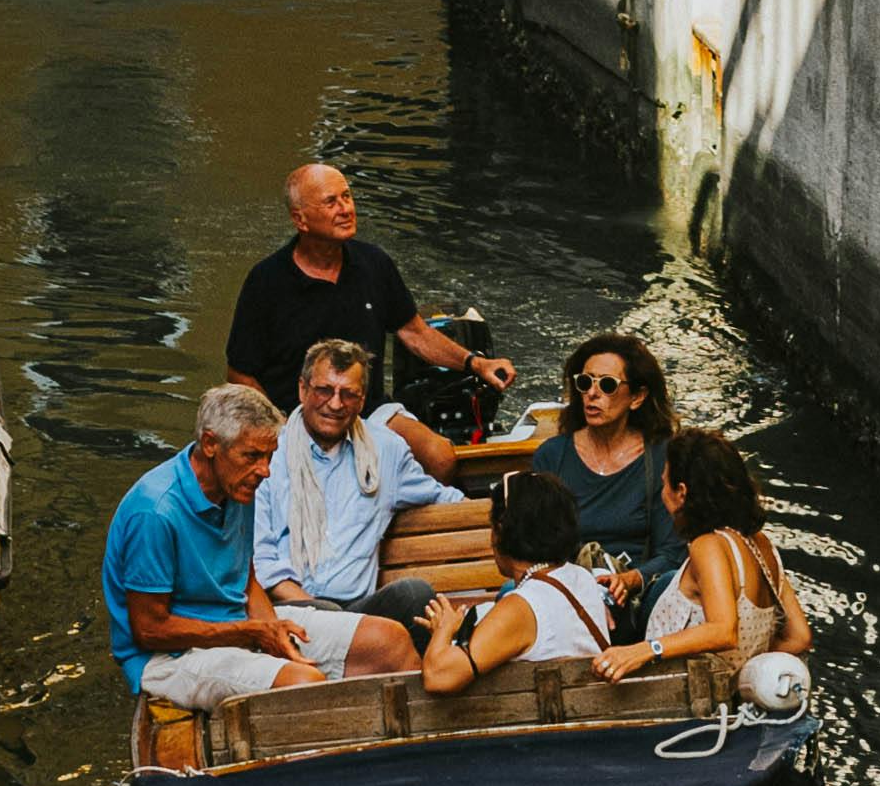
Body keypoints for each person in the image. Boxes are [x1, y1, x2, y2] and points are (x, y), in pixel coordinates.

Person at [251, 333, 494, 677]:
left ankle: (433, 681)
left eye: (348, 394)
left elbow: (443, 496)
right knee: (325, 613)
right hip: (293, 603)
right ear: (303, 389)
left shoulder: (386, 450)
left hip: (358, 605)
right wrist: (309, 606)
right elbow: (262, 561)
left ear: (362, 399)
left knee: (415, 594)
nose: (335, 404)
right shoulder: (266, 456)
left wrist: (503, 514)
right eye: (324, 391)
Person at [102, 380, 326, 720]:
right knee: (305, 683)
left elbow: (245, 577)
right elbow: (149, 630)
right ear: (210, 444)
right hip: (166, 659)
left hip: (235, 625)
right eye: (252, 456)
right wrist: (248, 633)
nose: (264, 471)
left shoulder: (237, 485)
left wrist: (272, 634)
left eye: (269, 456)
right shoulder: (155, 512)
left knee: (387, 641)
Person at [221, 158, 509, 423]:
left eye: (347, 196)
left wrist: (476, 363)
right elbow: (239, 374)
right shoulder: (266, 282)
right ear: (300, 219)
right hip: (296, 418)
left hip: (369, 411)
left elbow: (416, 333)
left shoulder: (374, 263)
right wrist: (278, 428)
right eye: (331, 202)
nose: (346, 209)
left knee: (440, 456)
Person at [607, 422, 812, 682]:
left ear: (681, 493)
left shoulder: (708, 546)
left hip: (681, 698)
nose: (662, 492)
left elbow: (723, 631)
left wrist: (644, 650)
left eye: (664, 484)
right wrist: (743, 673)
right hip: (733, 695)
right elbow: (799, 637)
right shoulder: (761, 544)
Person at [512, 331, 687, 624]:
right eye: (585, 383)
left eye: (606, 385)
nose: (592, 394)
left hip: (640, 599)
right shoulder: (552, 456)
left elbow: (671, 552)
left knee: (672, 581)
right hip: (568, 595)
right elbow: (536, 549)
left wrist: (631, 580)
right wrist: (580, 591)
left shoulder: (660, 456)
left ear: (637, 397)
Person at [421, 463, 626, 688]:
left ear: (500, 530)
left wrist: (444, 628)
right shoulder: (581, 576)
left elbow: (438, 677)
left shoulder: (522, 606)